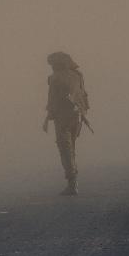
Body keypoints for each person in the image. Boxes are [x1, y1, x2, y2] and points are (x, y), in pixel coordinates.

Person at [43, 51, 90, 195]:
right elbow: (84, 96)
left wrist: (47, 118)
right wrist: (83, 114)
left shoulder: (54, 78)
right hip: (77, 117)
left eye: (52, 64)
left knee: (65, 149)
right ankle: (73, 181)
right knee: (71, 149)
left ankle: (72, 183)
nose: (51, 67)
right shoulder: (78, 76)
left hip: (62, 118)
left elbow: (52, 100)